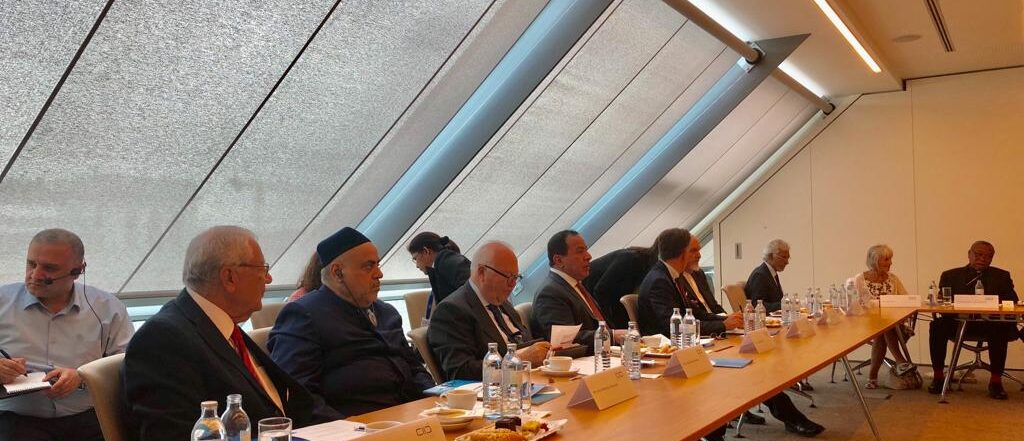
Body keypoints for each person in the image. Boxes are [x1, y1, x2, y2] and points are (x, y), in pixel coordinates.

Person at [123, 226, 325, 441]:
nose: (269, 279)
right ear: (229, 277)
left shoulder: (223, 327)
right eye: (262, 269)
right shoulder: (162, 339)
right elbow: (173, 434)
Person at [638, 229, 823, 438]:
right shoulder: (660, 280)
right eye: (694, 250)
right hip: (668, 359)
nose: (698, 255)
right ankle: (721, 428)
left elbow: (697, 313)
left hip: (695, 344)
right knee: (745, 371)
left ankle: (743, 421)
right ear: (682, 253)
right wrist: (722, 325)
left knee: (753, 367)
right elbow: (674, 326)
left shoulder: (673, 276)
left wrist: (725, 321)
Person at [270, 227, 434, 417]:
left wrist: (435, 401)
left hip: (412, 418)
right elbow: (300, 397)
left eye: (378, 264)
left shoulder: (386, 313)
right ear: (337, 272)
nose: (379, 274)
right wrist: (353, 430)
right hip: (357, 425)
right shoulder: (304, 315)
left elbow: (415, 368)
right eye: (368, 266)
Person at [0, 229, 134, 441]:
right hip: (16, 419)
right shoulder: (2, 302)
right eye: (31, 264)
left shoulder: (107, 308)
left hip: (89, 417)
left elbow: (128, 365)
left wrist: (83, 377)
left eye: (49, 268)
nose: (35, 275)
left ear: (77, 271)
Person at [428, 241, 551, 381]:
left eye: (515, 278)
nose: (512, 285)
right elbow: (460, 371)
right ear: (482, 272)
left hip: (531, 381)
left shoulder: (502, 303)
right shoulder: (451, 311)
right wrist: (518, 360)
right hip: (496, 391)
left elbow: (524, 343)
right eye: (508, 277)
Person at [928, 241, 1019, 399]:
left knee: (1000, 328)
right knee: (937, 325)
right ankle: (938, 377)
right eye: (978, 254)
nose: (982, 259)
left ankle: (996, 382)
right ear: (969, 254)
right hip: (958, 323)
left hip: (989, 323)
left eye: (988, 256)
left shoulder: (1001, 276)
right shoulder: (950, 275)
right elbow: (942, 305)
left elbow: (1012, 302)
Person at [532, 231, 625, 353]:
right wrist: (612, 335)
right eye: (580, 251)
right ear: (559, 260)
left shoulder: (575, 285)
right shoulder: (549, 293)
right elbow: (564, 341)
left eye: (586, 250)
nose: (588, 256)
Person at [848, 245, 916, 389]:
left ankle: (873, 377)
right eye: (886, 259)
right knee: (884, 326)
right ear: (875, 260)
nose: (890, 262)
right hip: (865, 324)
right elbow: (853, 305)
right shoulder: (859, 280)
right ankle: (900, 360)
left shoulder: (893, 279)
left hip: (893, 324)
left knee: (884, 327)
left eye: (890, 259)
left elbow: (906, 299)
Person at [581, 237, 661, 329]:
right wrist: (609, 325)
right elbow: (601, 291)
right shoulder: (631, 258)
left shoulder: (644, 264)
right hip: (589, 295)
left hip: (606, 298)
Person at [407, 232, 471, 322]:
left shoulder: (449, 263)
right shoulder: (443, 264)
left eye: (415, 258)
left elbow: (472, 294)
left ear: (426, 251)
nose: (417, 265)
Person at [745, 239, 790, 312]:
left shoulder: (771, 273)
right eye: (784, 257)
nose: (787, 262)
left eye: (788, 258)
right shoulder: (760, 275)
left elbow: (778, 300)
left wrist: (786, 304)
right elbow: (756, 305)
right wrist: (784, 305)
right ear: (771, 256)